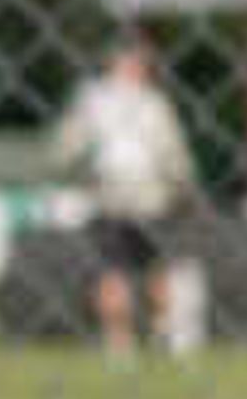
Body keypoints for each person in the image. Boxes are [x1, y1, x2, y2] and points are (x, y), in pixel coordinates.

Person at [55, 23, 195, 356]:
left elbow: (66, 146)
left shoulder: (95, 99)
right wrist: (183, 183)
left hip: (122, 196)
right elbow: (173, 152)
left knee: (120, 268)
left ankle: (124, 341)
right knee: (140, 267)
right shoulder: (149, 102)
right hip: (142, 197)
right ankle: (149, 335)